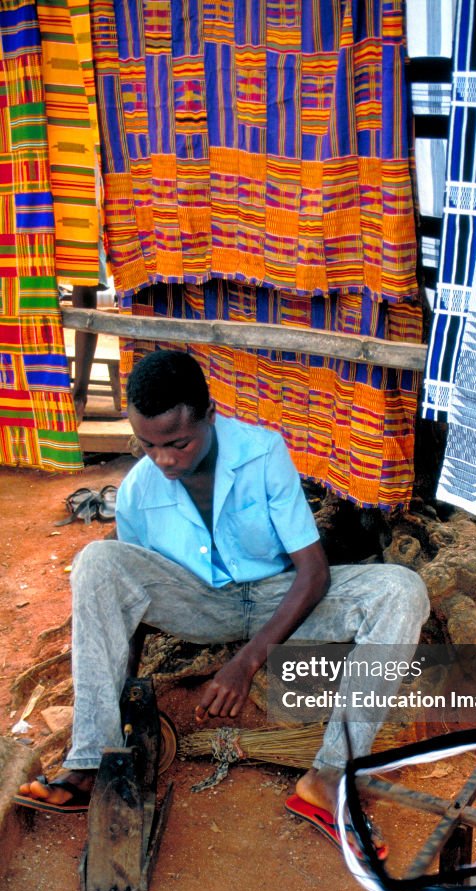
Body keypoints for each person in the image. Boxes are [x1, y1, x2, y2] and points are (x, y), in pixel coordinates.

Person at [17, 350, 430, 839]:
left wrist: (246, 663)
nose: (164, 459)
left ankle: (330, 776)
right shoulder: (136, 493)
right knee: (97, 562)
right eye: (148, 445)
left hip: (282, 595)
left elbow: (314, 573)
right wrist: (126, 693)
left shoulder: (263, 453)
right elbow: (130, 600)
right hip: (199, 604)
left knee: (403, 590)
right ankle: (88, 764)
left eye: (178, 442)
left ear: (211, 416)